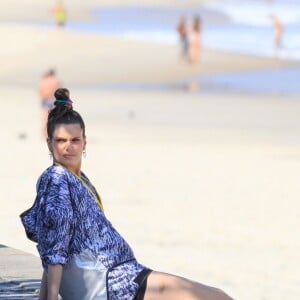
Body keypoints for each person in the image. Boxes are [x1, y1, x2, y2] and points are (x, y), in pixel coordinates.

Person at [20, 88, 233, 300]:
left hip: (121, 274)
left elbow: (49, 245)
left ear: (85, 142)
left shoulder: (78, 178)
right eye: (61, 140)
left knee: (216, 295)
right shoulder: (57, 178)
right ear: (49, 143)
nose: (69, 147)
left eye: (75, 140)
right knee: (205, 296)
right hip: (108, 282)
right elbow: (55, 248)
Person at [38, 69, 62, 139]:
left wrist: (43, 97)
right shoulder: (56, 80)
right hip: (54, 100)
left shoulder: (43, 81)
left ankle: (44, 134)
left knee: (45, 117)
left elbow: (40, 91)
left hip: (46, 99)